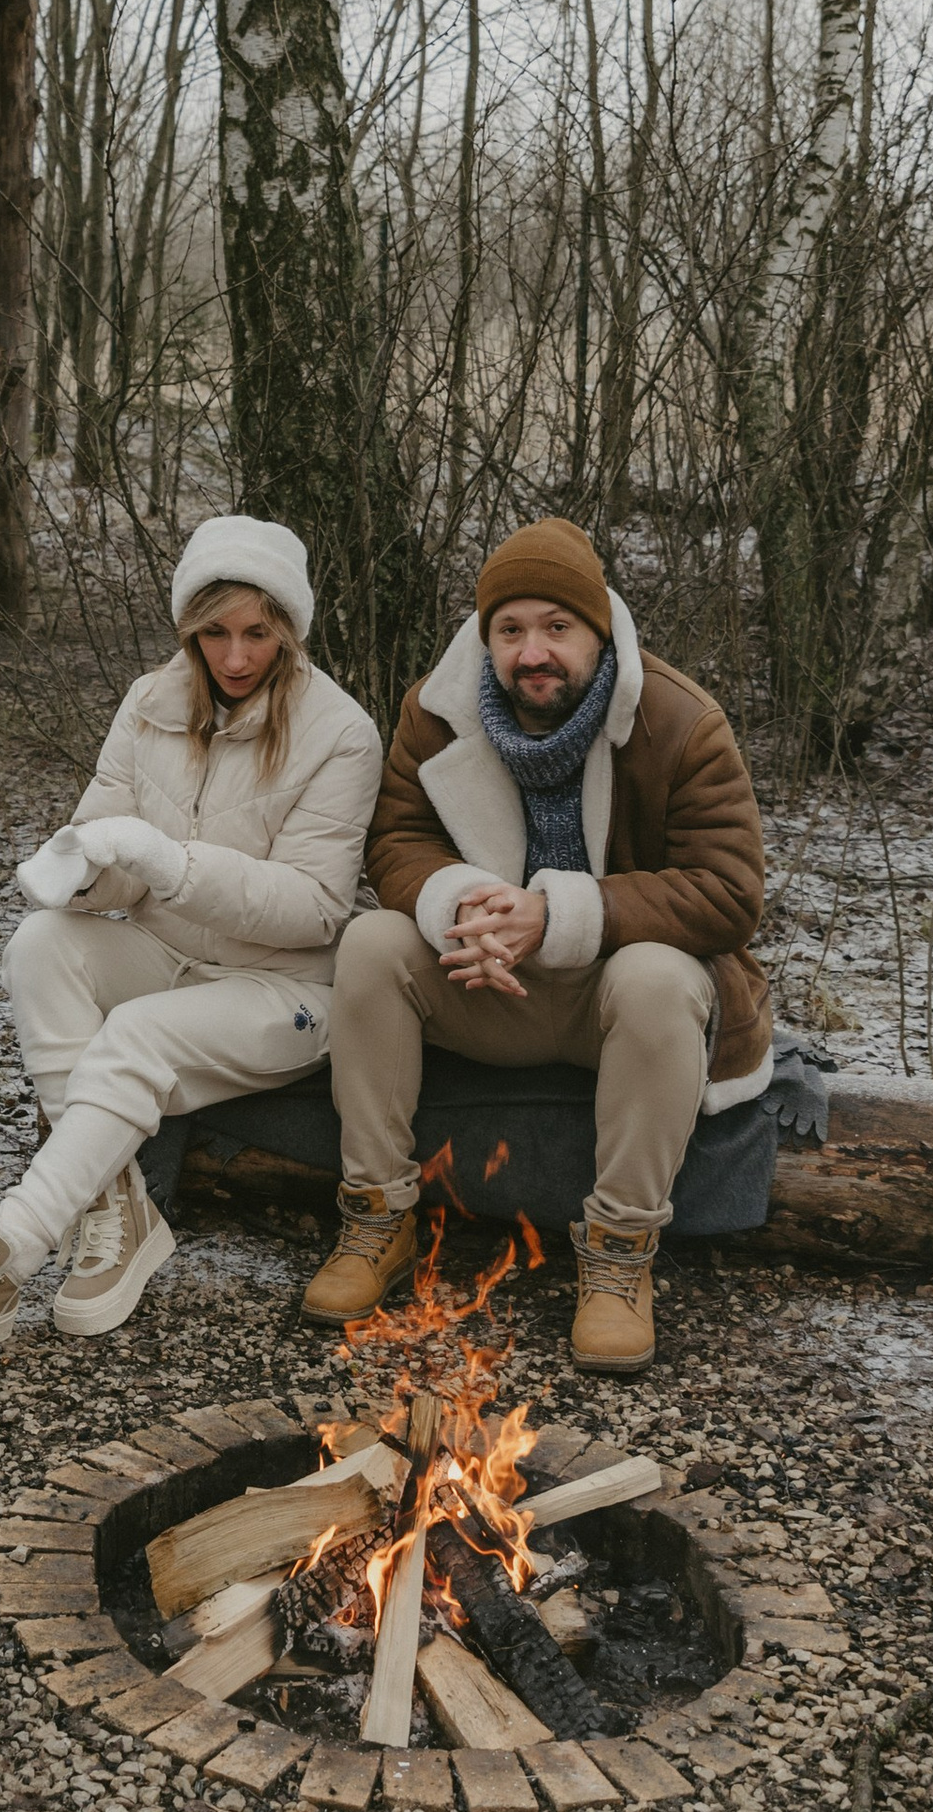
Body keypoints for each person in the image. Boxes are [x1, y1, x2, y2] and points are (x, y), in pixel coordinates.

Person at [0, 515, 382, 1377]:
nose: (235, 656)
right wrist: (80, 873)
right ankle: (115, 1205)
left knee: (136, 1033)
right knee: (40, 944)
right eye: (214, 632)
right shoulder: (149, 703)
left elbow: (315, 907)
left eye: (258, 633)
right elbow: (114, 852)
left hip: (285, 991)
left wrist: (168, 863)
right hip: (167, 953)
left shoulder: (342, 732)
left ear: (290, 630)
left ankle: (4, 1254)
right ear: (189, 628)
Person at [304, 516, 769, 1375]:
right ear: (487, 639)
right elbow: (397, 840)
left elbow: (730, 891)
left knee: (659, 977)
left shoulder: (680, 721)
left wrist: (558, 915)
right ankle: (377, 1217)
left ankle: (620, 1255)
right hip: (485, 982)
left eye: (558, 626)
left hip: (613, 1000)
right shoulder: (436, 712)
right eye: (511, 630)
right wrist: (463, 905)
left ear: (600, 629)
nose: (533, 652)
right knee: (372, 942)